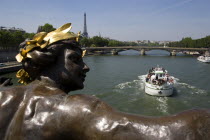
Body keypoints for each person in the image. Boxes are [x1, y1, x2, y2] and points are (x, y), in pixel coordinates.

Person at [1, 23, 210, 140]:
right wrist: (203, 118)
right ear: (49, 61)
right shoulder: (78, 110)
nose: (86, 66)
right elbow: (170, 133)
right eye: (75, 59)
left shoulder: (4, 97)